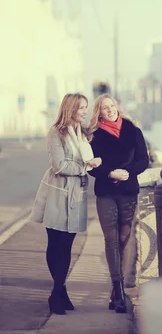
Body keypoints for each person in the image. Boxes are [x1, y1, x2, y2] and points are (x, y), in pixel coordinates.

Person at [29, 93, 102, 315]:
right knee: (56, 242)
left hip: (77, 194)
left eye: (86, 107)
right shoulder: (56, 133)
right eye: (81, 107)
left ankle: (59, 292)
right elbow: (59, 165)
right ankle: (58, 293)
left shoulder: (84, 133)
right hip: (58, 194)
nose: (84, 111)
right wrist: (85, 166)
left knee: (67, 245)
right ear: (70, 108)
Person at [87, 94, 149, 314]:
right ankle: (118, 290)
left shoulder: (133, 131)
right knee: (111, 239)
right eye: (105, 108)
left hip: (128, 191)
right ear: (99, 112)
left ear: (117, 108)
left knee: (123, 239)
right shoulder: (94, 136)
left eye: (112, 106)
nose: (110, 110)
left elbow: (144, 160)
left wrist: (126, 173)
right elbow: (90, 165)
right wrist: (110, 173)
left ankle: (116, 291)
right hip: (106, 192)